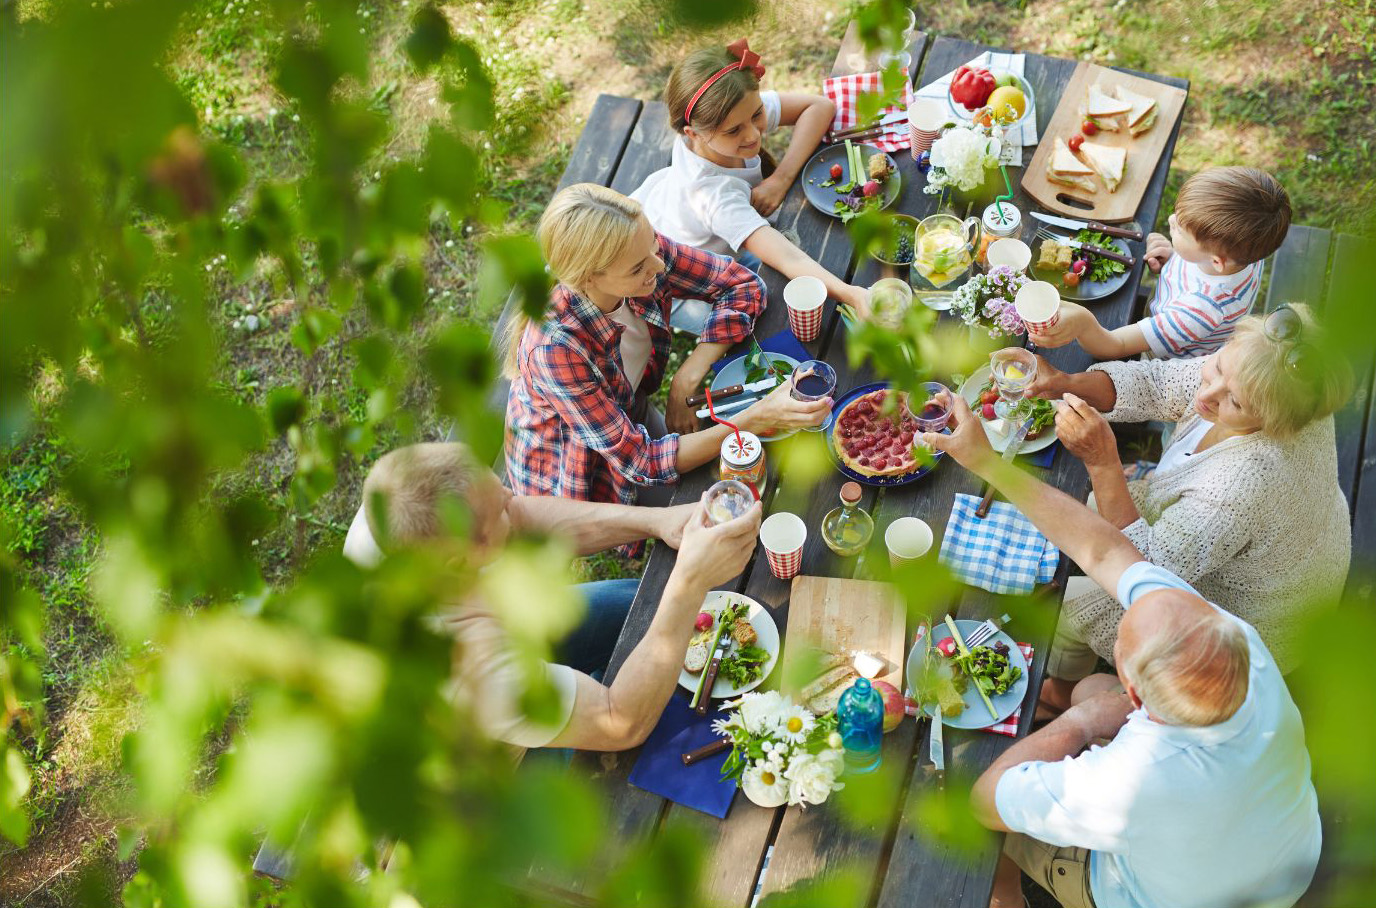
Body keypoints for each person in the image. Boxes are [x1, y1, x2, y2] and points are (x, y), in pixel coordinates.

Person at [919, 394, 1322, 908]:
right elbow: (1106, 550)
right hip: (1278, 857)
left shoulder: (1131, 783)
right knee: (1087, 685)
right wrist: (985, 461)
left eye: (1122, 638)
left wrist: (1084, 723)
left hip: (1145, 893)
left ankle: (1005, 898)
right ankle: (1060, 705)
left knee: (966, 814)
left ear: (1136, 693)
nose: (1135, 603)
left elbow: (987, 799)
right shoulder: (1239, 643)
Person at [1020, 303, 1351, 709]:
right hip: (1287, 550)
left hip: (1248, 625)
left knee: (1070, 605)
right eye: (1218, 369)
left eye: (1235, 403)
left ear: (1273, 421)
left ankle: (1057, 692)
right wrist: (1066, 382)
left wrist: (1103, 462)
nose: (1206, 395)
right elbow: (1159, 385)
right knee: (1076, 513)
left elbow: (1146, 571)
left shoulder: (1241, 486)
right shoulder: (1280, 381)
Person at [345, 442, 762, 752]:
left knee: (645, 605)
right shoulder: (466, 670)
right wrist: (688, 583)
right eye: (501, 512)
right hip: (489, 750)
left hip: (512, 631)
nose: (513, 500)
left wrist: (659, 521)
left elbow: (522, 516)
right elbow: (620, 723)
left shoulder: (402, 510)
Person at [504, 183, 829, 510]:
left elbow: (743, 285)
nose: (659, 267)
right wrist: (755, 417)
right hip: (576, 474)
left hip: (630, 409)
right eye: (637, 268)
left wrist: (687, 374)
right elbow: (641, 462)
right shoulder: (555, 349)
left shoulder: (638, 249)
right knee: (703, 505)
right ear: (588, 278)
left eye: (653, 247)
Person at [630, 40, 871, 326]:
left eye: (757, 115)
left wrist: (781, 179)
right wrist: (853, 295)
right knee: (756, 321)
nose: (753, 135)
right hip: (678, 285)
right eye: (734, 131)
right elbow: (789, 260)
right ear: (692, 133)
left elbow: (819, 107)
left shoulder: (733, 112)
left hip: (673, 215)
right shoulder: (713, 195)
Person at [1029, 166, 1291, 360]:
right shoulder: (1247, 251)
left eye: (1179, 229)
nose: (1169, 220)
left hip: (1169, 360)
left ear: (1216, 261)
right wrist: (1175, 259)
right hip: (1173, 315)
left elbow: (1115, 346)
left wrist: (1084, 323)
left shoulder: (1199, 312)